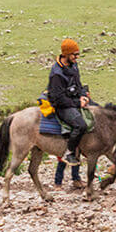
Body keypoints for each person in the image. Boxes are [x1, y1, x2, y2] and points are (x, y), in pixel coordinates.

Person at [47, 38, 90, 167]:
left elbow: (78, 84)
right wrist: (78, 103)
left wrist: (83, 95)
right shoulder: (57, 74)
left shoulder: (74, 65)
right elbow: (59, 99)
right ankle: (69, 152)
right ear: (66, 54)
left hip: (75, 99)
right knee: (80, 125)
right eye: (74, 54)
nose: (77, 57)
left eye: (78, 54)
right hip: (63, 106)